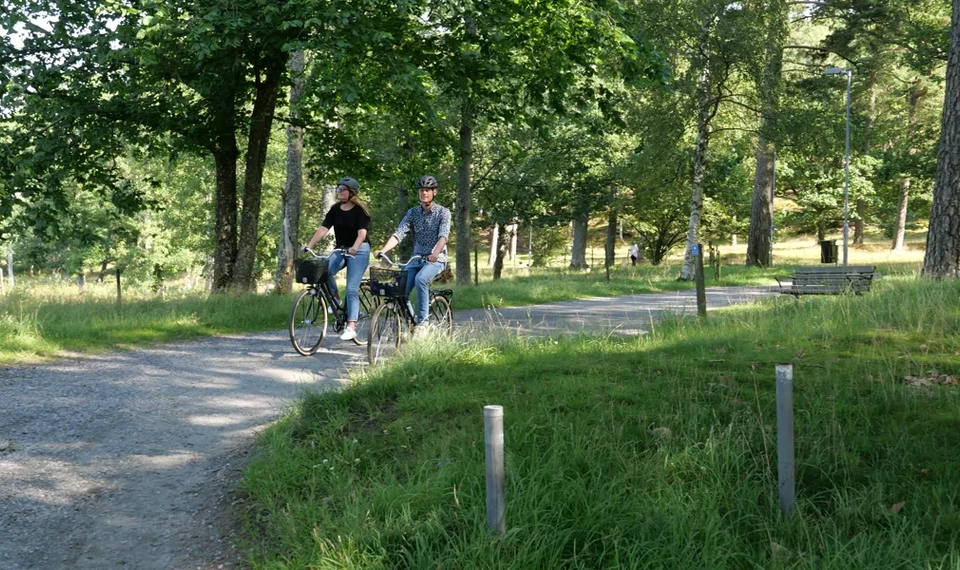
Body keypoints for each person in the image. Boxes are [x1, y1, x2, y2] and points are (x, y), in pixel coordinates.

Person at [373, 175, 452, 326]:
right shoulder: (413, 213)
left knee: (421, 279)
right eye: (422, 190)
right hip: (416, 259)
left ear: (434, 192)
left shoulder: (443, 212)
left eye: (428, 190)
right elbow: (399, 234)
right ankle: (410, 323)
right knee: (399, 290)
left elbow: (443, 237)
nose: (424, 193)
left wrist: (435, 254)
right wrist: (383, 250)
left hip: (436, 259)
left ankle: (424, 323)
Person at [303, 177, 371, 341]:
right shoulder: (335, 209)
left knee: (351, 288)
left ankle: (351, 326)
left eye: (342, 189)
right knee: (324, 270)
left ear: (351, 192)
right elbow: (323, 229)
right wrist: (309, 245)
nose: (339, 191)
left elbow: (362, 233)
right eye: (338, 188)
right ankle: (335, 299)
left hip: (359, 250)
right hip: (341, 249)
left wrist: (355, 247)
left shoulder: (360, 211)